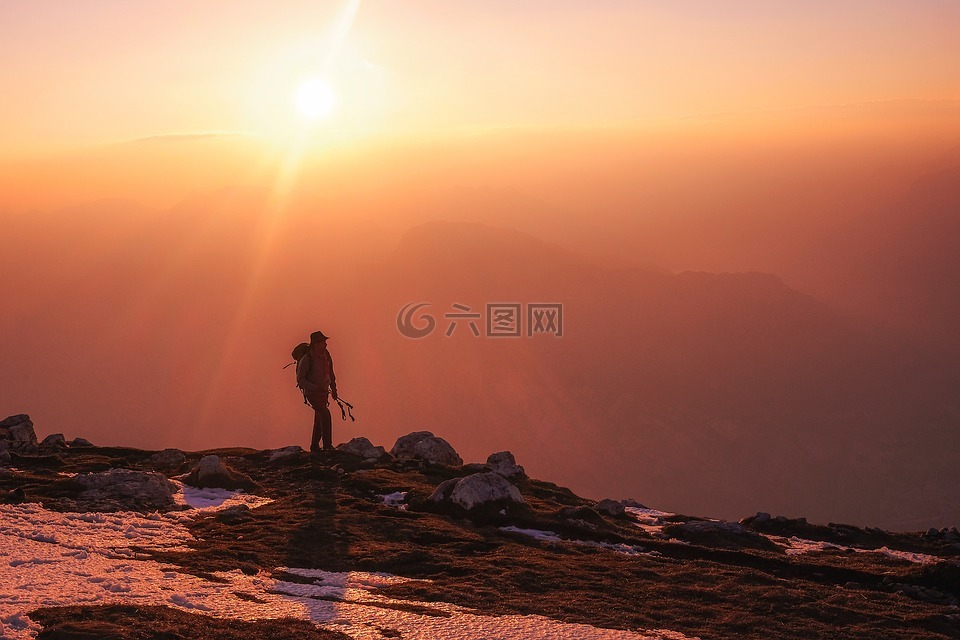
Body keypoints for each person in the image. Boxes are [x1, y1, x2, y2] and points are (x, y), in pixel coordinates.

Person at [296, 330, 339, 452]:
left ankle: (314, 446)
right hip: (312, 394)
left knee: (319, 417)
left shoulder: (326, 355)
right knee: (325, 414)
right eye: (323, 342)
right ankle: (327, 446)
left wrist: (334, 389)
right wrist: (315, 387)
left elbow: (331, 374)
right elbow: (301, 380)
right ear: (315, 344)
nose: (325, 344)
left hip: (323, 393)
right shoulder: (307, 359)